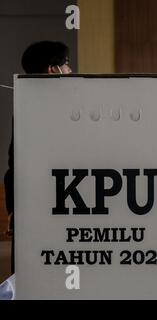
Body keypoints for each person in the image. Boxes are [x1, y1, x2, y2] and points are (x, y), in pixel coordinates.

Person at [4, 41, 72, 274]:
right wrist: (14, 209)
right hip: (47, 198)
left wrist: (13, 208)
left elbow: (14, 159)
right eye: (67, 64)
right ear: (53, 69)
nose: (71, 70)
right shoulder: (47, 103)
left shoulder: (25, 101)